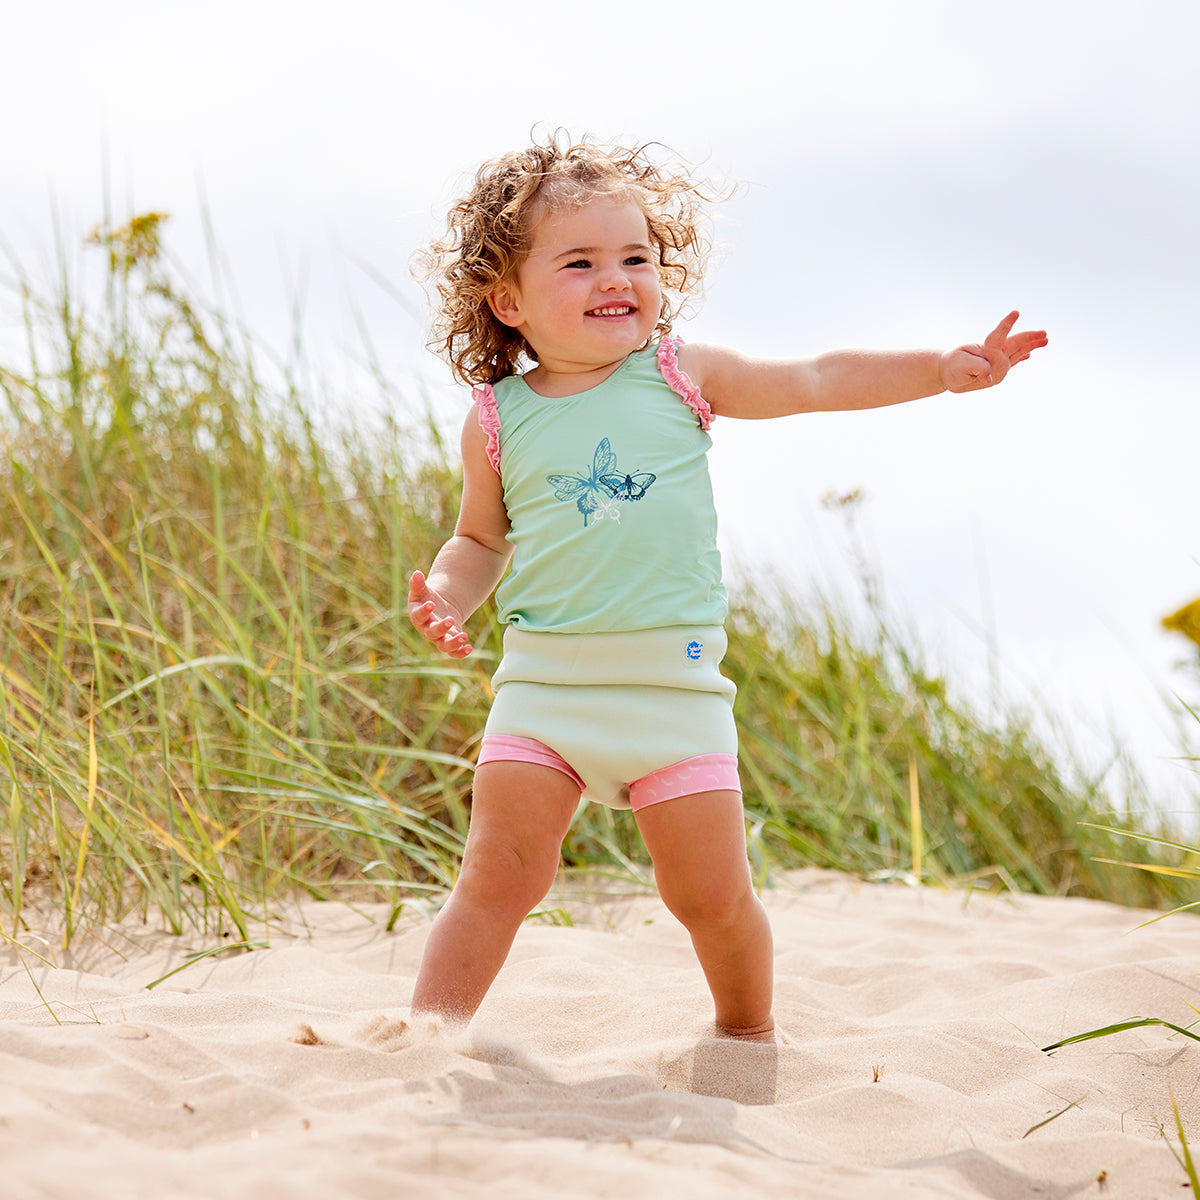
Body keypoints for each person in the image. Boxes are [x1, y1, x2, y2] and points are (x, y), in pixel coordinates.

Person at [407, 135, 1047, 1041]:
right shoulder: (496, 417)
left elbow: (818, 379)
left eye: (636, 256)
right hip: (544, 691)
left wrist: (939, 372)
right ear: (507, 299)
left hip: (676, 696)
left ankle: (746, 1034)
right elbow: (480, 537)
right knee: (499, 877)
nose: (616, 277)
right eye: (580, 262)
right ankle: (425, 1038)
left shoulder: (680, 375)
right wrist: (446, 593)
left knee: (708, 896)